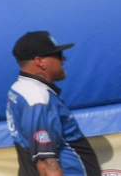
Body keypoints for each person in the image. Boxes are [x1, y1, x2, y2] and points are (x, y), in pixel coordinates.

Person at [7, 31, 101, 176]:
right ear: (40, 61)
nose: (63, 59)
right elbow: (46, 162)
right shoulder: (37, 99)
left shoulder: (19, 89)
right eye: (58, 55)